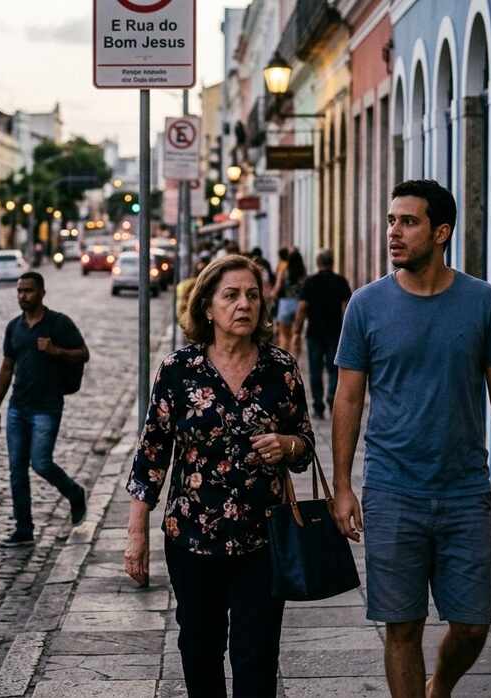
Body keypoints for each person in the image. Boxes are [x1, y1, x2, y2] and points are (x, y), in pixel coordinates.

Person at [331, 180, 491, 698]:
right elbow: (348, 398)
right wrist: (343, 485)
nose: (394, 232)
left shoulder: (481, 301)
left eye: (408, 222)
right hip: (393, 489)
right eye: (392, 220)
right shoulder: (365, 305)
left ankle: (439, 684)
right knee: (402, 625)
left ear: (441, 233)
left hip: (464, 489)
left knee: (472, 623)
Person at [124, 255, 314, 697]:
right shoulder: (178, 370)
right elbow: (152, 453)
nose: (244, 304)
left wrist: (287, 446)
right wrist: (137, 533)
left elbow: (304, 445)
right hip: (191, 537)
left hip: (263, 538)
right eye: (231, 295)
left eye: (252, 295)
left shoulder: (280, 369)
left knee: (257, 655)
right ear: (207, 307)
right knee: (199, 648)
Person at [0, 271, 89, 547]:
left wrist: (56, 351)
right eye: (20, 291)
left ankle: (74, 493)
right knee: (16, 469)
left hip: (47, 407)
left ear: (42, 292)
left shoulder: (58, 323)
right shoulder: (15, 327)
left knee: (41, 463)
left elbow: (83, 354)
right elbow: (7, 367)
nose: (23, 296)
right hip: (17, 408)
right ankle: (24, 529)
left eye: (29, 291)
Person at [293, 249, 352, 418]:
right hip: (335, 332)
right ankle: (332, 396)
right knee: (334, 369)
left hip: (314, 333)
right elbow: (347, 307)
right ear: (332, 263)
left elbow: (302, 308)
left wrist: (297, 331)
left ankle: (318, 405)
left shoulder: (310, 282)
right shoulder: (340, 281)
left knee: (315, 369)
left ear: (318, 263)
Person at [270, 249, 307, 356]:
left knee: (284, 336)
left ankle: (284, 359)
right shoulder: (303, 273)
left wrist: (271, 296)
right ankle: (295, 359)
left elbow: (277, 288)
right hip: (299, 306)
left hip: (285, 304)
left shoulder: (284, 271)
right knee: (296, 335)